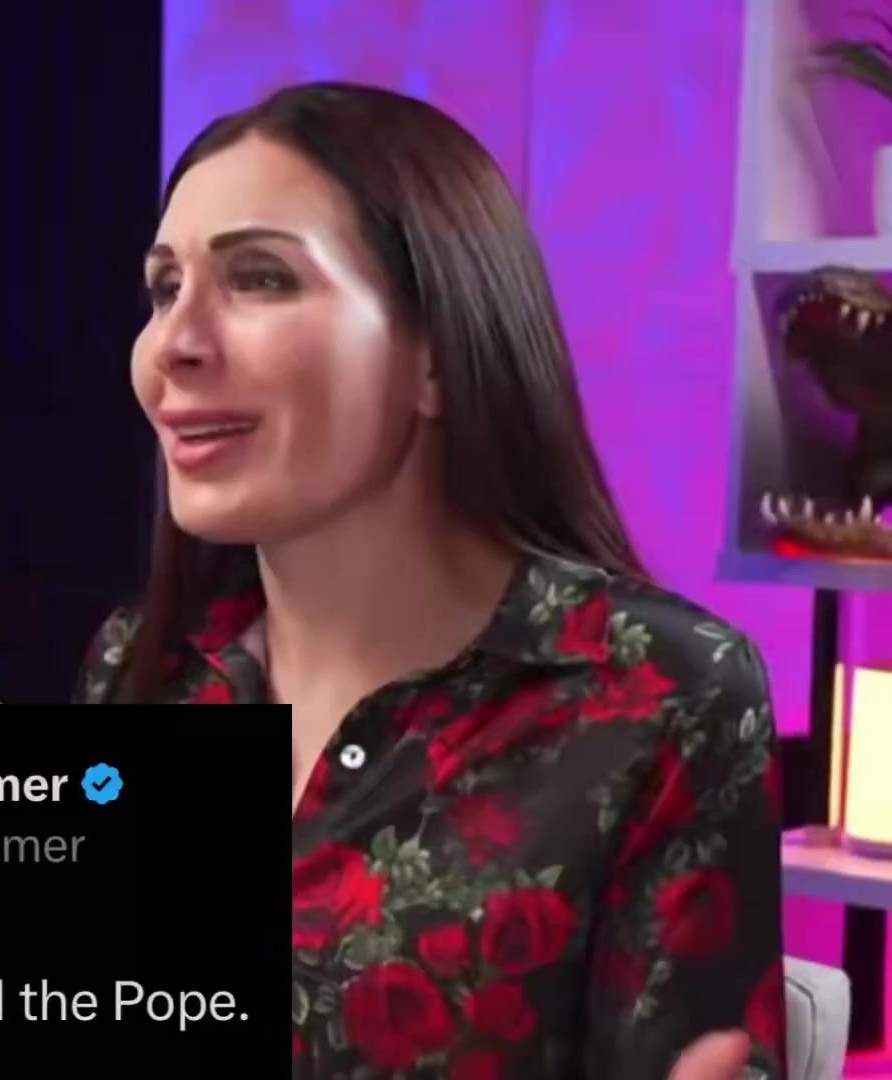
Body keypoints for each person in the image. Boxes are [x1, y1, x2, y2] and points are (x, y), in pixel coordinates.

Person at [75, 82, 786, 1080]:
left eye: (260, 278)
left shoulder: (662, 695)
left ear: (439, 355)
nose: (173, 346)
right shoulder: (142, 664)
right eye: (163, 289)